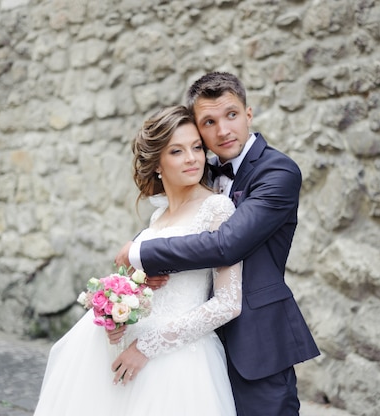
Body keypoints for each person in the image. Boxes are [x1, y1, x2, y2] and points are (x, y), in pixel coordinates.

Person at [114, 72, 320, 416]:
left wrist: (142, 254)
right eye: (209, 122)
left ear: (249, 114)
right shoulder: (200, 167)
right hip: (194, 345)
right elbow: (172, 219)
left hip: (256, 340)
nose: (223, 131)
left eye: (232, 115)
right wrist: (142, 266)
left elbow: (228, 244)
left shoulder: (278, 172)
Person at [33, 105, 242, 416]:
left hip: (177, 360)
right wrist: (117, 317)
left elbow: (228, 303)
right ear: (157, 163)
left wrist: (146, 348)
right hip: (124, 350)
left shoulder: (217, 209)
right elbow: (142, 289)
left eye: (197, 147)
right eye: (177, 151)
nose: (193, 158)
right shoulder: (157, 216)